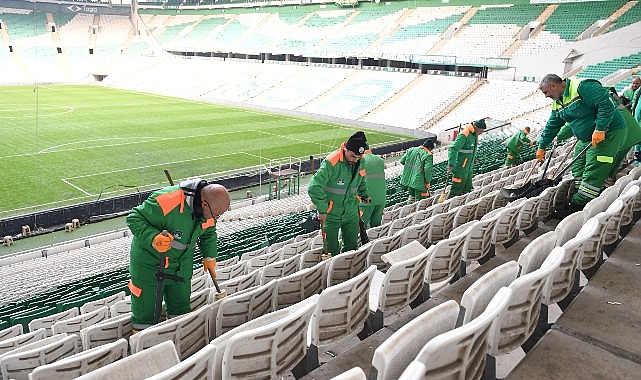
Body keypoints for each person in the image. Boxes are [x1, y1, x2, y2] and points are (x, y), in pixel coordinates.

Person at [127, 179, 230, 332]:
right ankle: (143, 347)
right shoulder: (165, 200)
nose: (215, 219)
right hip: (150, 265)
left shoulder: (208, 213)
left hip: (181, 266)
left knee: (180, 309)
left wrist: (210, 256)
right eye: (216, 215)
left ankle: (177, 338)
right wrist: (153, 238)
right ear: (204, 204)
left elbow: (208, 233)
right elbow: (134, 217)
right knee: (145, 314)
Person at [536, 74, 626, 210]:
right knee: (577, 166)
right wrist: (542, 146)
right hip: (586, 137)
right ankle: (582, 194)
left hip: (608, 132)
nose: (546, 96)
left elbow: (606, 104)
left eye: (546, 92)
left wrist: (600, 128)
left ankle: (580, 204)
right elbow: (551, 126)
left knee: (594, 167)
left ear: (553, 85)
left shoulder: (583, 87)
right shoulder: (558, 103)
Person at [308, 131, 370, 259]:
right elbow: (314, 186)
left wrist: (364, 194)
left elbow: (361, 179)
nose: (355, 160)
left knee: (352, 247)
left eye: (358, 157)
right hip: (332, 214)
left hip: (351, 211)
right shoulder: (331, 162)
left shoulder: (360, 160)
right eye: (353, 156)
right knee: (331, 250)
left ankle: (348, 270)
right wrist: (323, 208)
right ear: (346, 149)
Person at [447, 119, 486, 198]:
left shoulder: (475, 135)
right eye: (481, 131)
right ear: (475, 127)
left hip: (468, 167)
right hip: (460, 167)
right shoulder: (464, 134)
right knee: (457, 189)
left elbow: (471, 149)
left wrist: (474, 158)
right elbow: (453, 149)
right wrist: (451, 164)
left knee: (467, 189)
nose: (482, 133)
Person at [360, 144, 386, 228]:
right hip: (381, 199)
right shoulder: (380, 160)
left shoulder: (360, 160)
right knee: (376, 228)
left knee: (358, 229)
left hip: (365, 201)